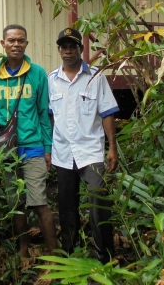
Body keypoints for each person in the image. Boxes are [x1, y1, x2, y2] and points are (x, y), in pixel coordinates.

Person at [0, 24, 57, 258]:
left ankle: (55, 256)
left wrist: (48, 148)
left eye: (20, 40)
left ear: (26, 44)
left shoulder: (38, 73)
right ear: (3, 44)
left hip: (33, 146)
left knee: (39, 202)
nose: (16, 44)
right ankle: (23, 251)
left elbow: (43, 113)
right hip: (6, 149)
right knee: (16, 203)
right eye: (11, 40)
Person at [47, 27, 119, 263]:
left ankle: (104, 256)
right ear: (59, 50)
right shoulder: (51, 81)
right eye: (64, 46)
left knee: (98, 203)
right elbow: (49, 117)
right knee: (67, 207)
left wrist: (112, 148)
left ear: (81, 48)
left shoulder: (96, 77)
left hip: (91, 153)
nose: (68, 51)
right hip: (63, 153)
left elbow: (107, 113)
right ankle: (71, 254)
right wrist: (48, 149)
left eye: (73, 46)